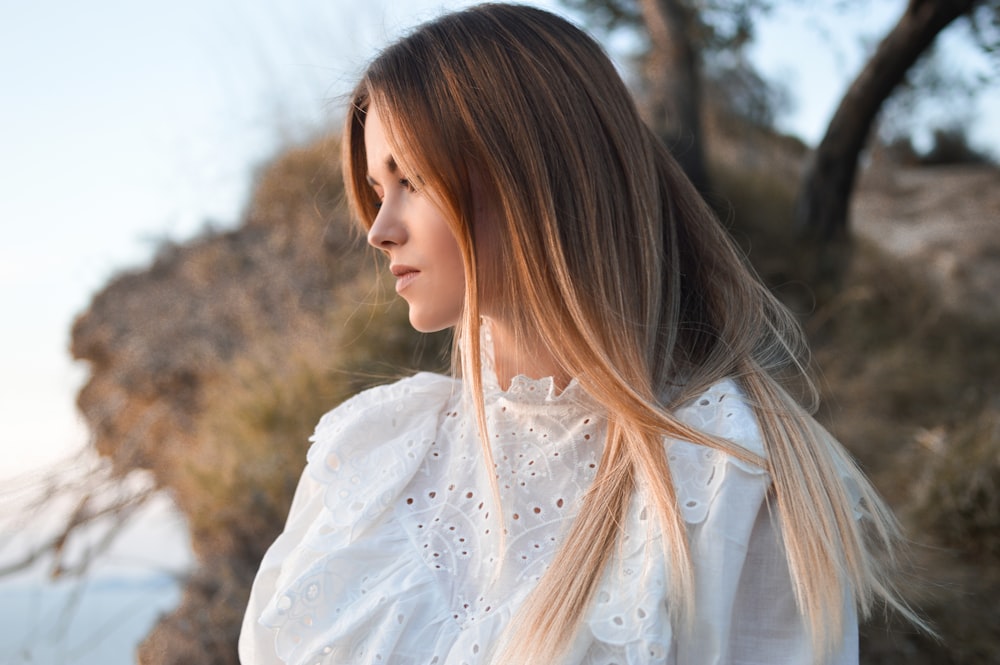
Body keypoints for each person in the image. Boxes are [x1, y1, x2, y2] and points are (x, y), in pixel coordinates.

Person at [239, 4, 921, 664]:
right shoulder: (373, 454)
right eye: (374, 188)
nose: (379, 228)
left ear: (533, 175)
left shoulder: (733, 479)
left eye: (410, 180)